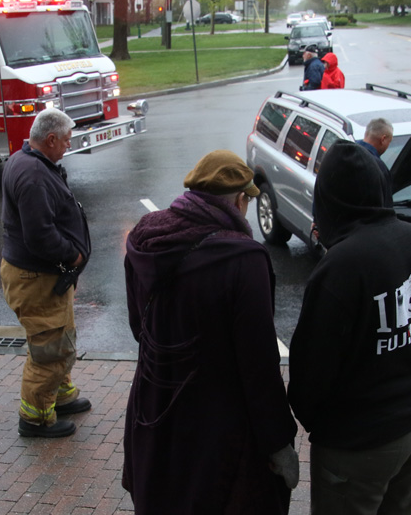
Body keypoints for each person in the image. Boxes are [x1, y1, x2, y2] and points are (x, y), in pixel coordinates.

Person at [122, 150, 299, 514]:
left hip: (153, 409)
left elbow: (139, 327)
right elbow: (259, 365)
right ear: (239, 200)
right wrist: (279, 442)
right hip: (216, 427)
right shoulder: (243, 259)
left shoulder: (145, 237)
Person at [289, 140, 411, 514]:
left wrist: (318, 422)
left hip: (361, 437)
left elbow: (312, 365)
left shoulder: (342, 265)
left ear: (328, 200)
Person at [0, 108, 93, 438]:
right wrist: (74, 254)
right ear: (50, 139)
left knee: (59, 337)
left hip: (43, 278)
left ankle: (60, 397)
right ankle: (36, 418)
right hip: (37, 279)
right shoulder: (35, 176)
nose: (69, 146)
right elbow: (39, 236)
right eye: (66, 141)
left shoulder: (25, 161)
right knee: (50, 348)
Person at [356, 118, 395, 207]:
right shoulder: (379, 168)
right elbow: (385, 208)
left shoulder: (341, 155)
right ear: (383, 139)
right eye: (389, 142)